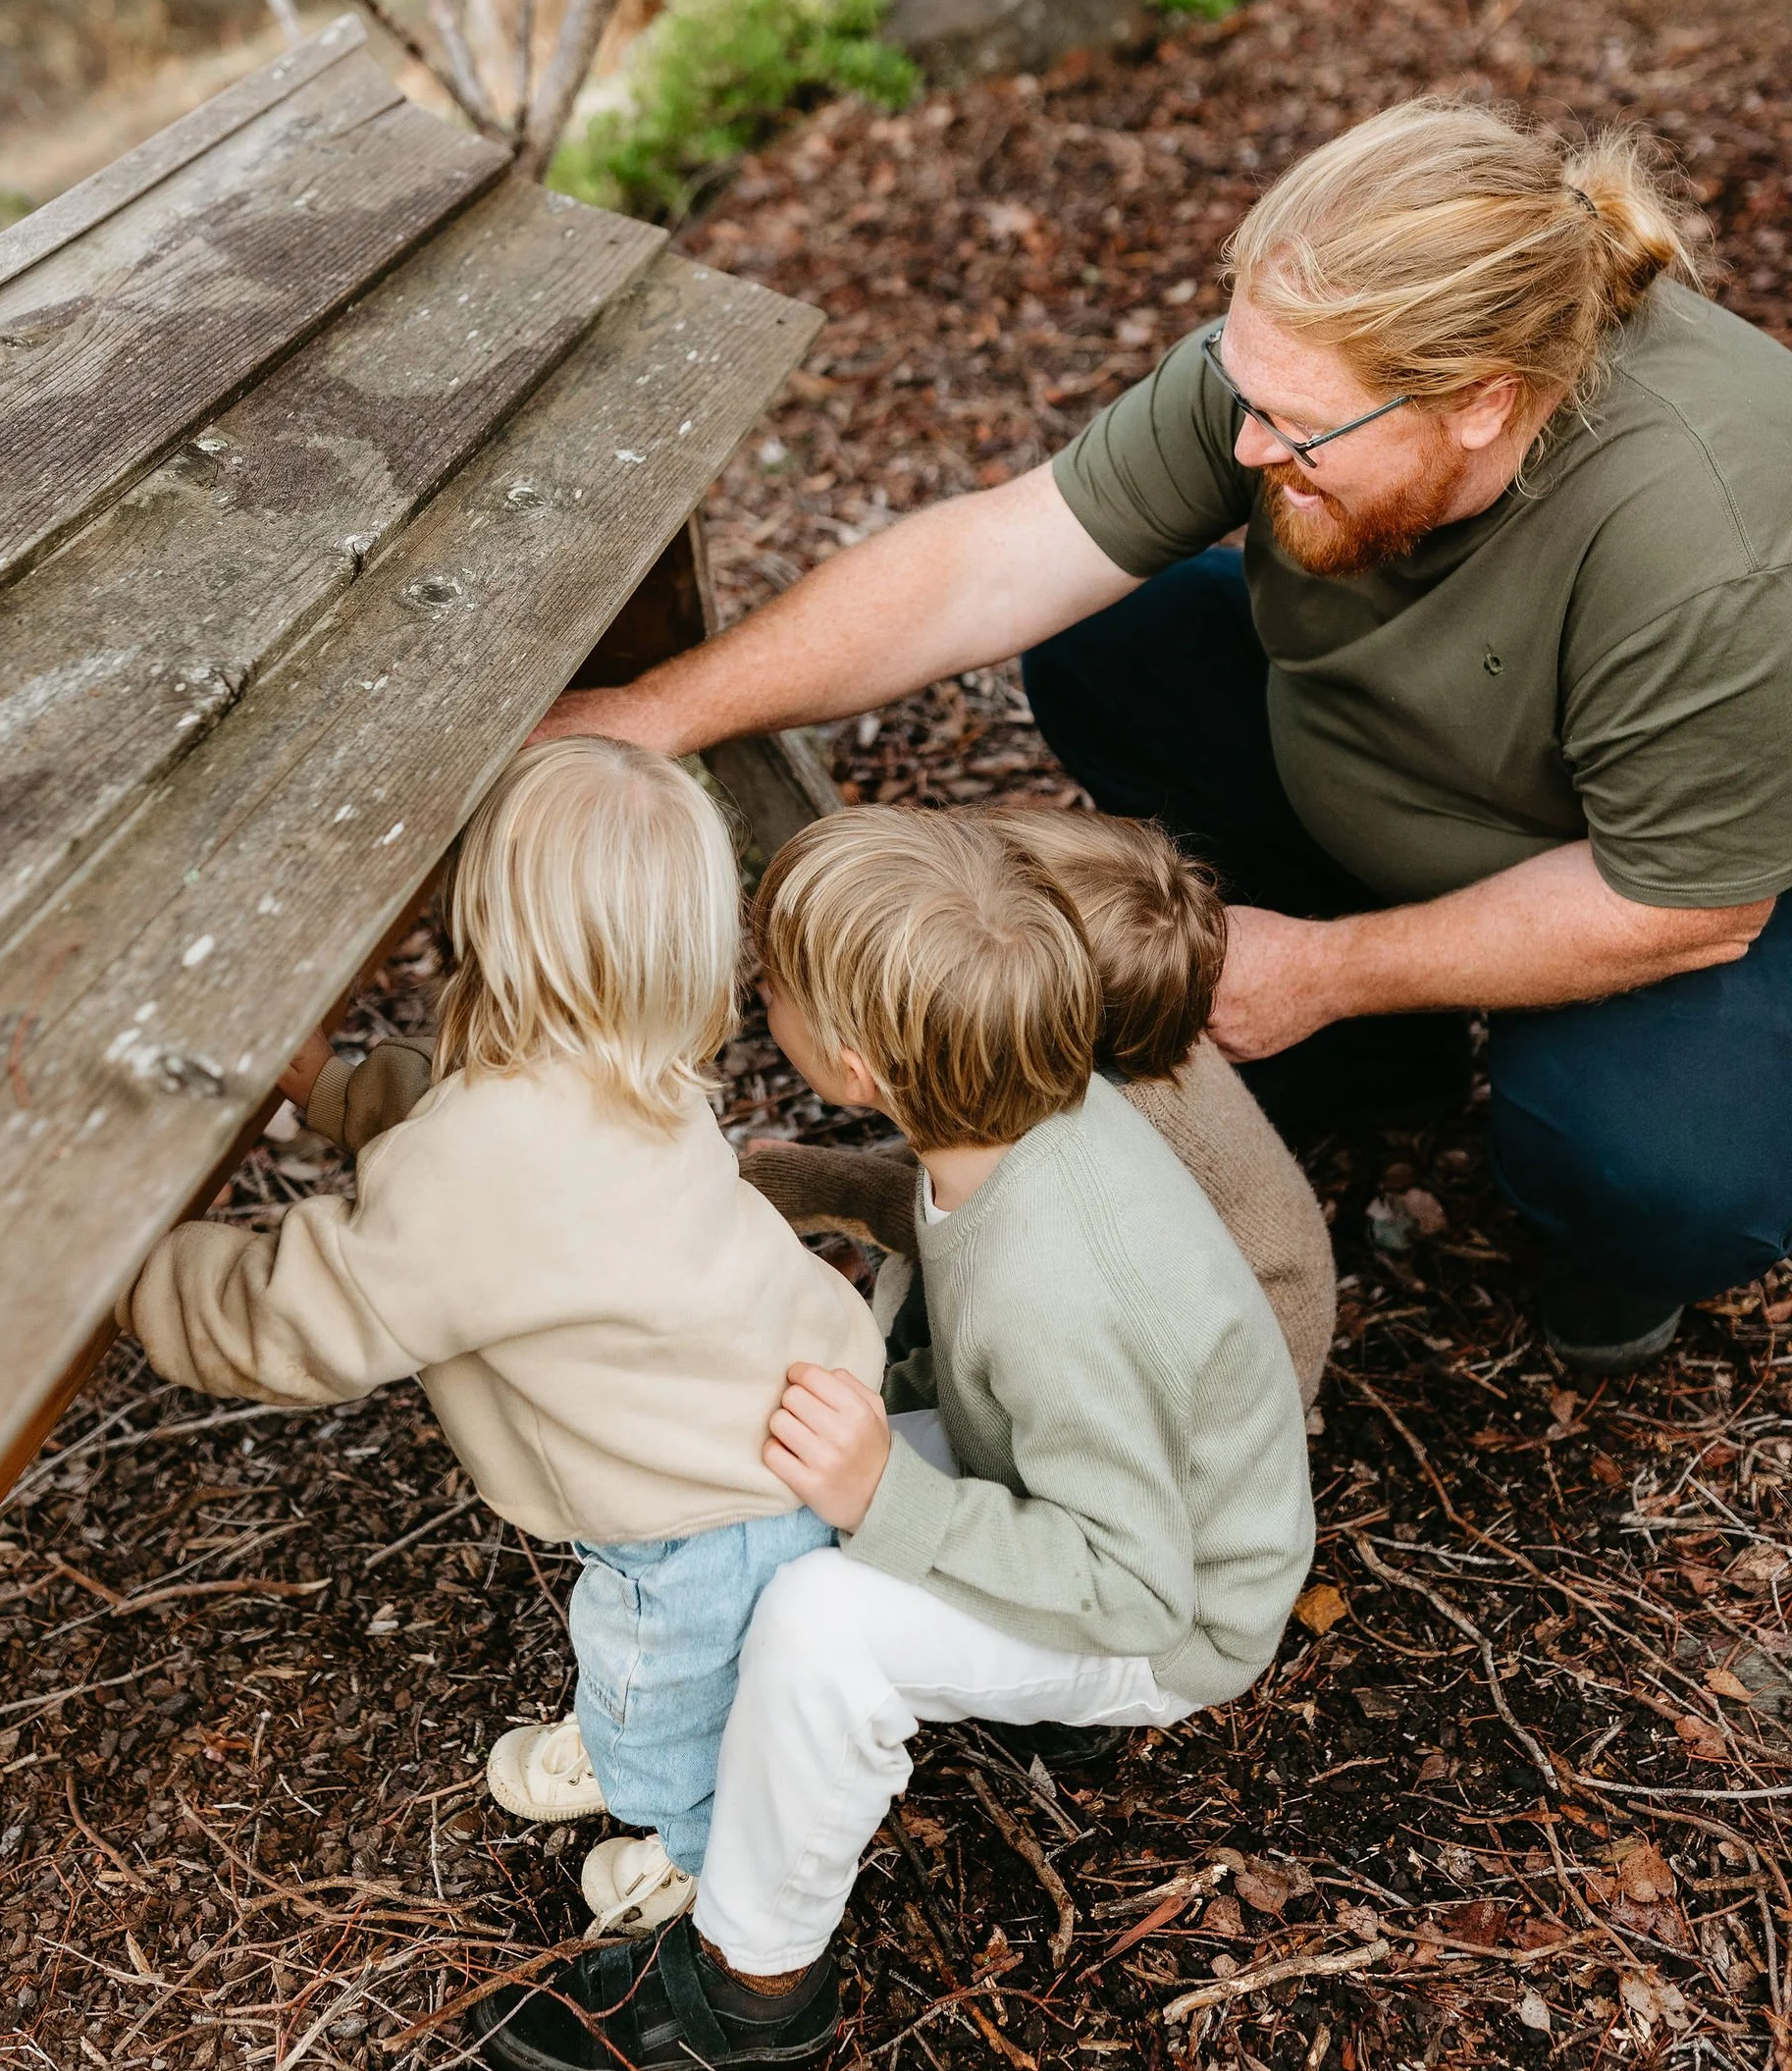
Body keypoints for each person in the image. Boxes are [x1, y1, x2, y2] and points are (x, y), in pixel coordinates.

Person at [535, 101, 1792, 1373]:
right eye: (1244, 397)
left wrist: (1321, 968)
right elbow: (992, 562)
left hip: (1673, 873)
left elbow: (1683, 903)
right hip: (1418, 773)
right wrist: (652, 716)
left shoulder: (1707, 539)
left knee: (1662, 1166)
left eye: (1295, 428)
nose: (1249, 448)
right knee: (1108, 646)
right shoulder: (1309, 369)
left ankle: (1609, 1272)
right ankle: (1382, 1054)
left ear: (1480, 406)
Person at [492, 806, 1316, 2071]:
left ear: (859, 1063)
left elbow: (1142, 1580)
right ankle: (684, 1745)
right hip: (1069, 1491)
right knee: (785, 1448)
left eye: (776, 985)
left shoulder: (1063, 1279)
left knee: (827, 1626)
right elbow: (998, 1377)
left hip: (1174, 1611)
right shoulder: (1012, 1115)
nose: (755, 991)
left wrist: (889, 1497)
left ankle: (753, 1988)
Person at [117, 737, 883, 1935]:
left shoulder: (487, 1161)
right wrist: (336, 1094)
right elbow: (452, 1131)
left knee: (663, 1690)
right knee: (689, 1661)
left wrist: (129, 1272)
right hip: (774, 1425)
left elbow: (296, 1321)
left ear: (491, 925)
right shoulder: (635, 1069)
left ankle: (693, 1847)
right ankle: (664, 1721)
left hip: (700, 1511)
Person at [746, 803, 1336, 1409]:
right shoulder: (1115, 1037)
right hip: (1211, 1321)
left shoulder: (1075, 1148)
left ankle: (904, 1395)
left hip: (1214, 1392)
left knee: (929, 1317)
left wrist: (819, 1185)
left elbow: (975, 1232)